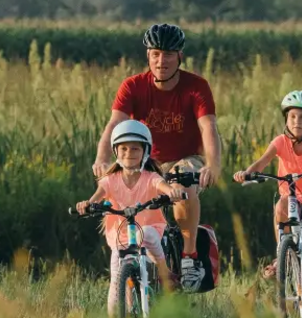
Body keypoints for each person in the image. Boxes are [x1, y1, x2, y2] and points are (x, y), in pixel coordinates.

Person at [94, 23, 220, 290]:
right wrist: (102, 159)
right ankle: (127, 268)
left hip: (185, 158)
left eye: (168, 54)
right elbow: (115, 123)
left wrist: (213, 164)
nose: (161, 61)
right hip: (146, 161)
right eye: (155, 54)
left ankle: (189, 257)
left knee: (181, 184)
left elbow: (208, 127)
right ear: (148, 56)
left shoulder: (196, 86)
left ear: (179, 57)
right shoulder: (133, 86)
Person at [234, 90, 302, 318]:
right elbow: (262, 162)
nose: (297, 121)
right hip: (293, 199)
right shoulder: (280, 142)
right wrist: (247, 173)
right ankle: (282, 254)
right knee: (280, 208)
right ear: (286, 119)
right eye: (293, 116)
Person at [77, 119, 184, 318]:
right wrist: (87, 205)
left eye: (135, 148)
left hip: (150, 225)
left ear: (145, 151)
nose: (129, 153)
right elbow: (96, 197)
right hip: (121, 232)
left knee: (151, 237)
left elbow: (162, 186)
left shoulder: (150, 177)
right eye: (123, 148)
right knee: (116, 286)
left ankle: (164, 273)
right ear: (116, 151)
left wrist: (171, 191)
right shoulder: (110, 180)